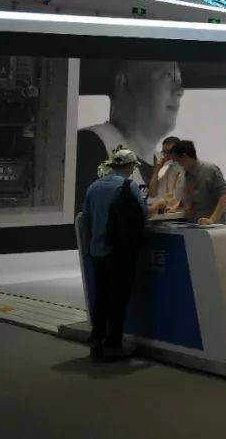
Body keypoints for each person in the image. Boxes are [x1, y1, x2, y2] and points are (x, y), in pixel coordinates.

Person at [75, 61, 185, 212]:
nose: (180, 90)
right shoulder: (89, 148)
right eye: (168, 77)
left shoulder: (170, 169)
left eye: (179, 80)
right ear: (125, 84)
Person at [81, 146, 152, 360]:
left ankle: (97, 339)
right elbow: (142, 214)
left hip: (97, 251)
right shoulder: (128, 187)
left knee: (101, 296)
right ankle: (114, 344)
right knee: (119, 298)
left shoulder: (93, 187)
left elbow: (85, 219)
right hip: (119, 252)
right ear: (130, 167)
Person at [166, 140, 226, 225]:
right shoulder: (185, 174)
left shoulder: (210, 170)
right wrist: (176, 207)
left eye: (177, 161)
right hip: (194, 224)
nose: (177, 165)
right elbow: (188, 195)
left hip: (213, 225)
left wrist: (212, 220)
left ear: (185, 157)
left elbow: (225, 194)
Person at [147, 135, 181, 202]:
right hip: (167, 207)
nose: (166, 155)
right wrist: (156, 171)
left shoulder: (190, 169)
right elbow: (152, 194)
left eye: (169, 152)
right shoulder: (163, 170)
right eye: (164, 152)